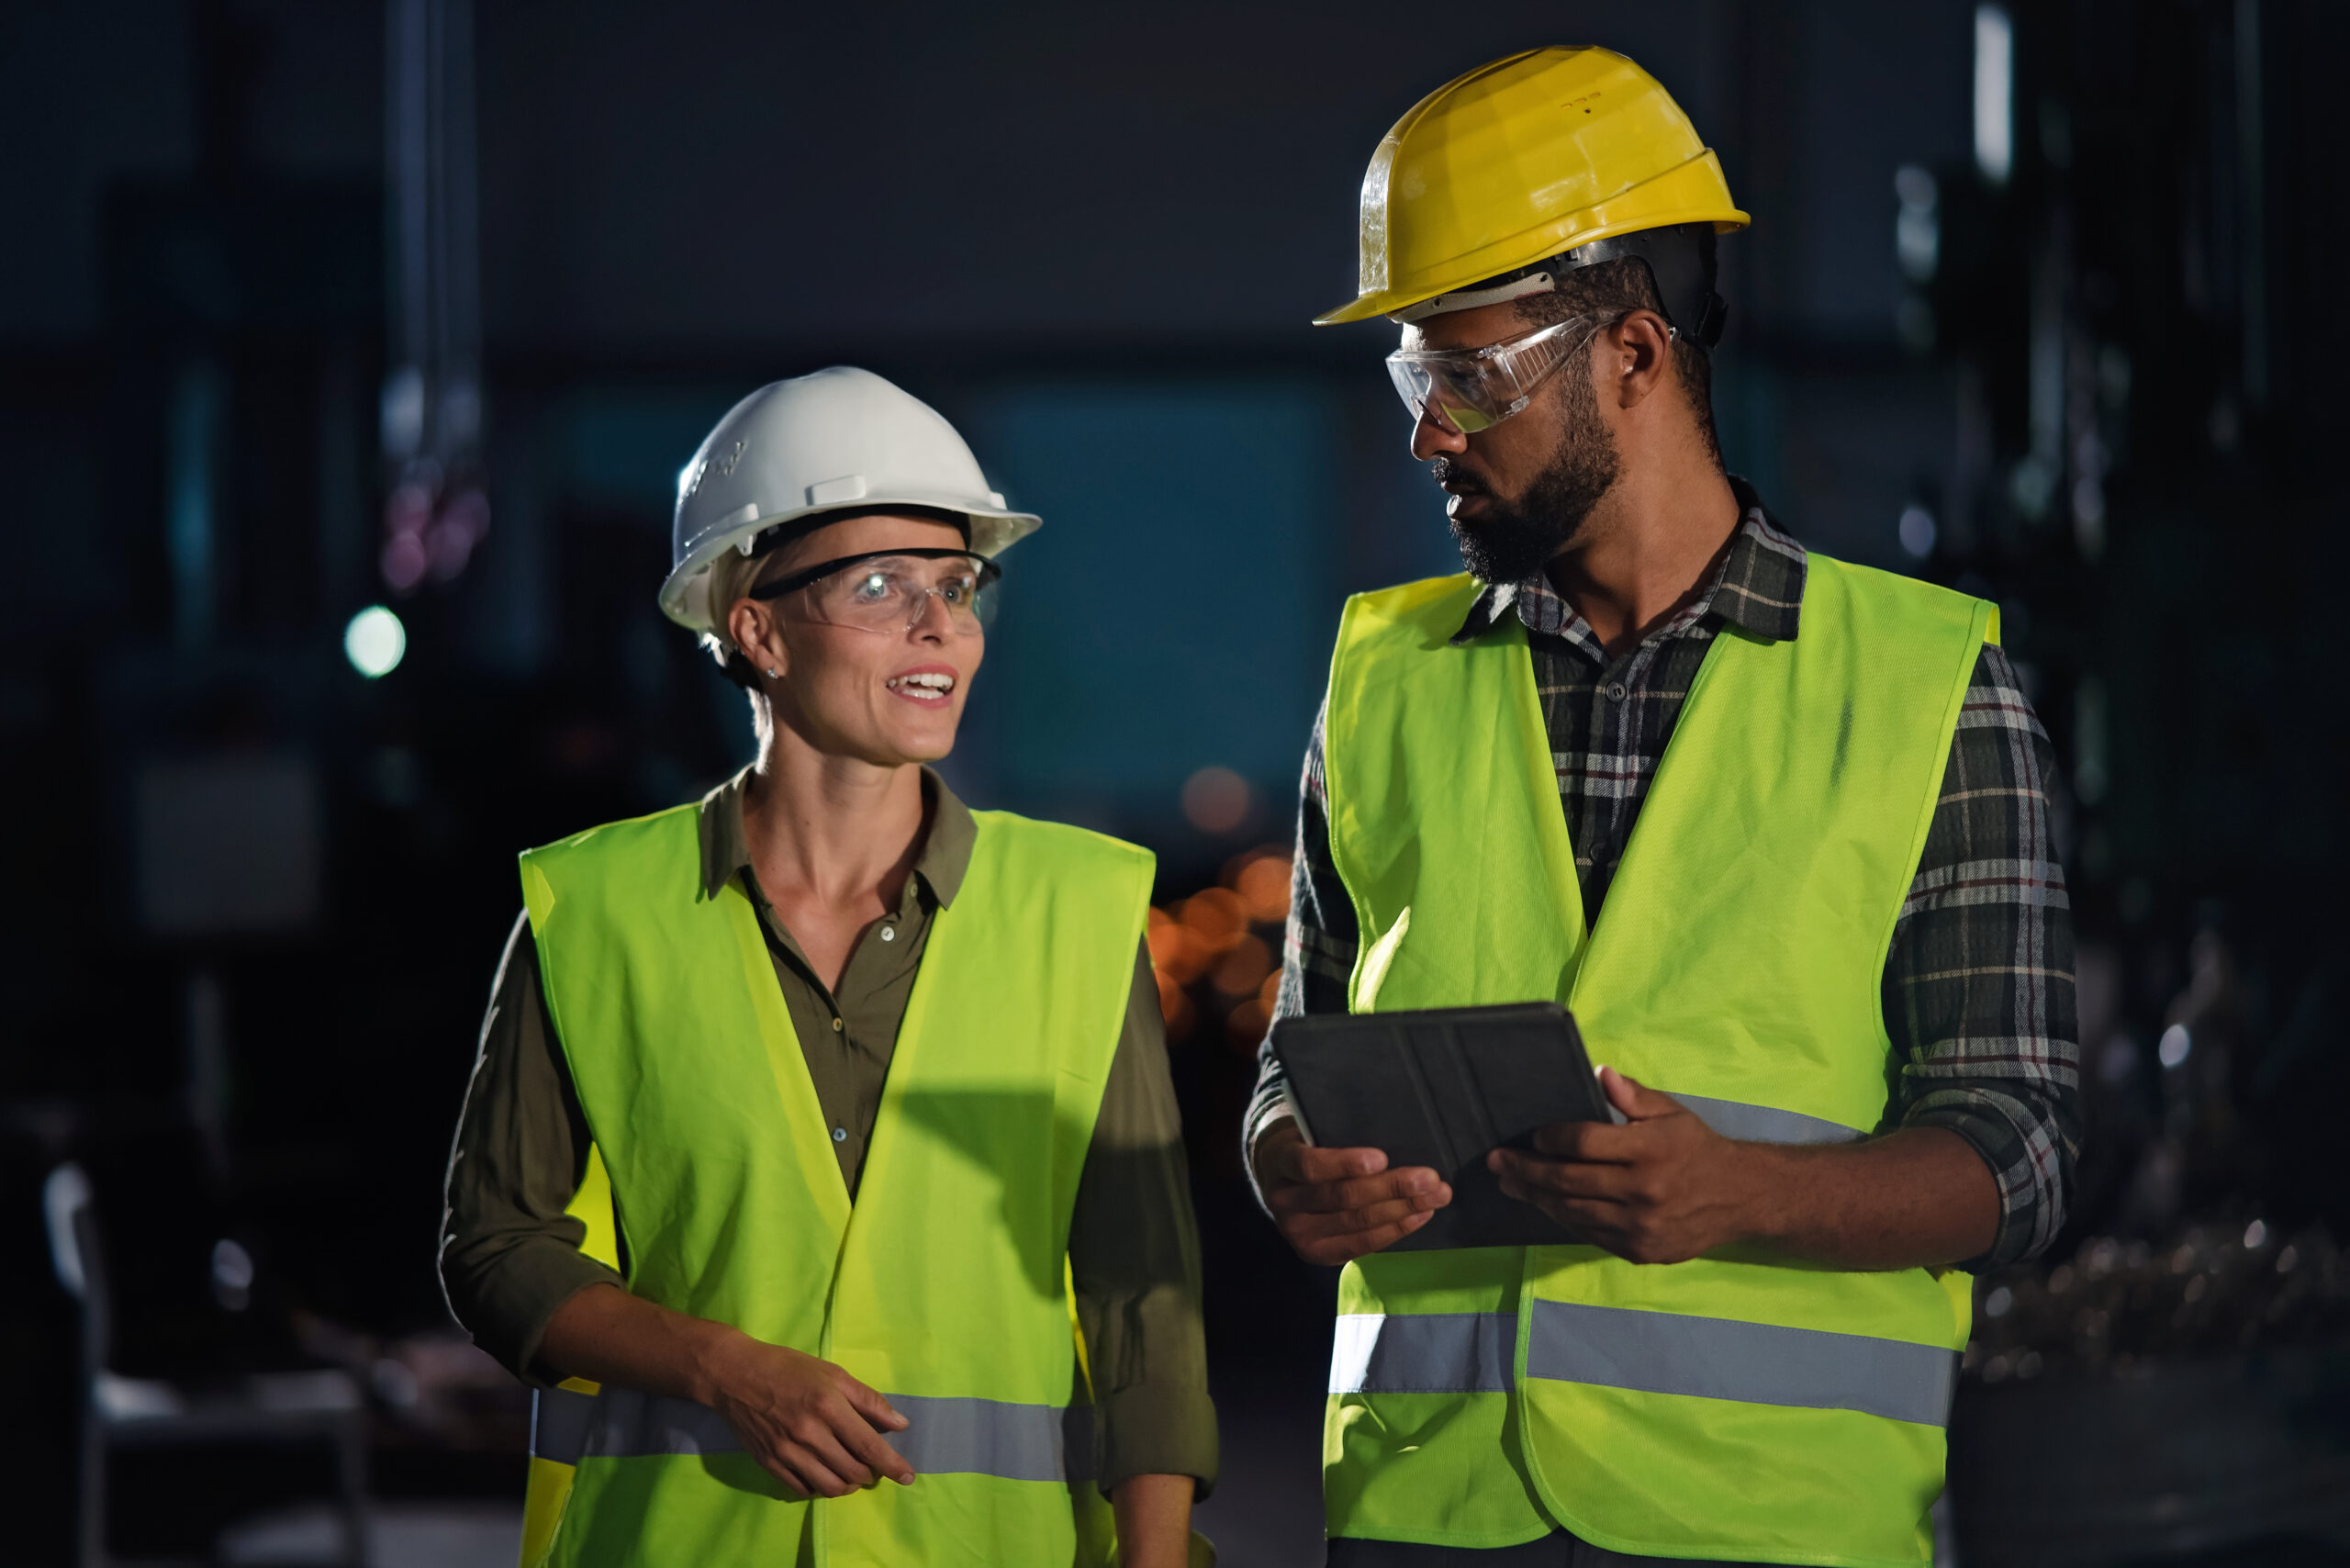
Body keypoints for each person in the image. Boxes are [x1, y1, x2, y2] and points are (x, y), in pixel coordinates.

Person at [1245, 47, 2077, 1568]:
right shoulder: (1383, 682)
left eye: (1469, 377)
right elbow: (1290, 1064)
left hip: (1765, 1521)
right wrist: (1288, 1160)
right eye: (1413, 378)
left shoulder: (1925, 690)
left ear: (1631, 354)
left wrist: (1742, 1195)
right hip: (1430, 1514)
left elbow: (2017, 1151)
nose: (1430, 432)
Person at [440, 367, 1215, 1566]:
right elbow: (495, 1251)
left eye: (957, 586)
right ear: (757, 629)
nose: (940, 627)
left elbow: (1142, 1300)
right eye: (881, 586)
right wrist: (721, 1368)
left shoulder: (1077, 910)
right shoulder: (593, 913)